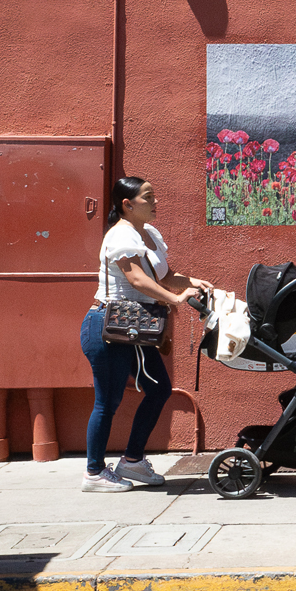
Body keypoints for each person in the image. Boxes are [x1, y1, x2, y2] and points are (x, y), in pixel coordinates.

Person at [80, 176, 208, 492]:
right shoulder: (120, 235)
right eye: (148, 197)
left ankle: (132, 461)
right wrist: (174, 298)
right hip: (110, 327)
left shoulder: (148, 234)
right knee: (106, 402)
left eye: (154, 196)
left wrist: (195, 284)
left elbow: (164, 275)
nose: (155, 203)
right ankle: (94, 473)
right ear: (127, 204)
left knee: (159, 389)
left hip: (135, 330)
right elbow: (136, 279)